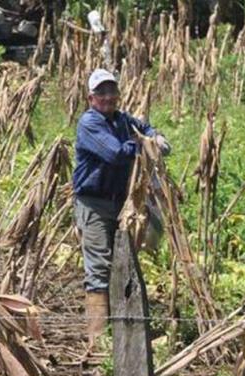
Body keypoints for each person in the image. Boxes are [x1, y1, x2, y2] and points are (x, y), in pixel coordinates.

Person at [72, 68, 170, 350]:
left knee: (123, 263)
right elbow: (115, 153)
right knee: (99, 268)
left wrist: (155, 136)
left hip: (121, 204)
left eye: (111, 91)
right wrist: (145, 145)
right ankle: (99, 342)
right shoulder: (90, 123)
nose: (107, 97)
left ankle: (125, 333)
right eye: (101, 92)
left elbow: (146, 128)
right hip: (94, 204)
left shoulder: (122, 119)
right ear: (91, 97)